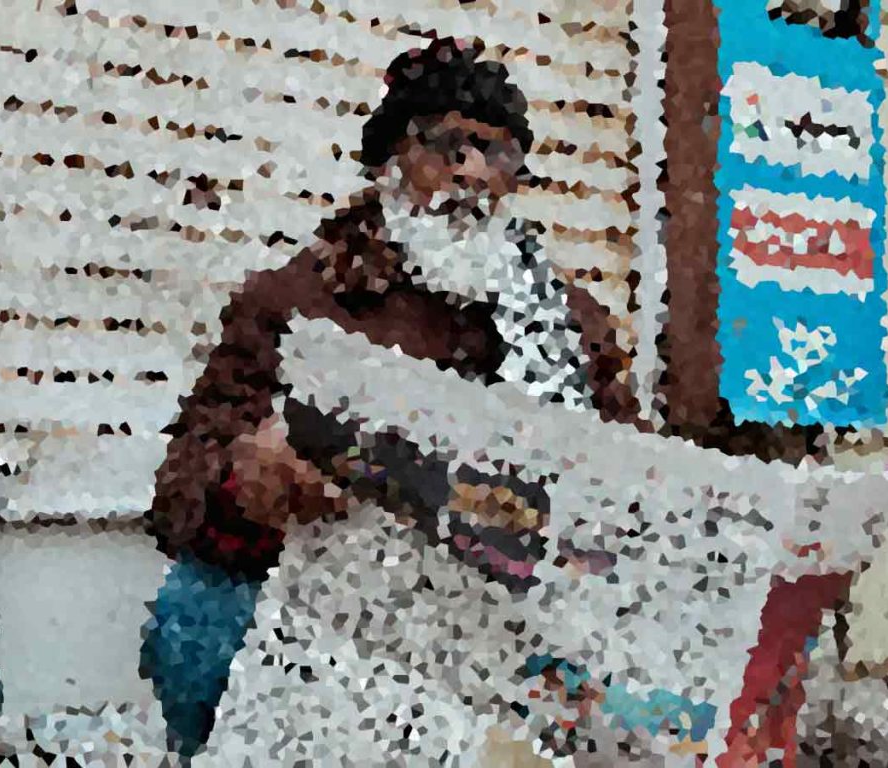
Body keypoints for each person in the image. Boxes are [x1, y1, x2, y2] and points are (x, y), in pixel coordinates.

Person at [138, 36, 644, 762]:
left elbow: (635, 478)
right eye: (447, 146)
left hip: (509, 616)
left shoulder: (568, 326)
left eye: (498, 155)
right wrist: (246, 484)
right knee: (196, 617)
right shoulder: (302, 301)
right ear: (389, 162)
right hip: (345, 610)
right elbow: (181, 486)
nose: (472, 173)